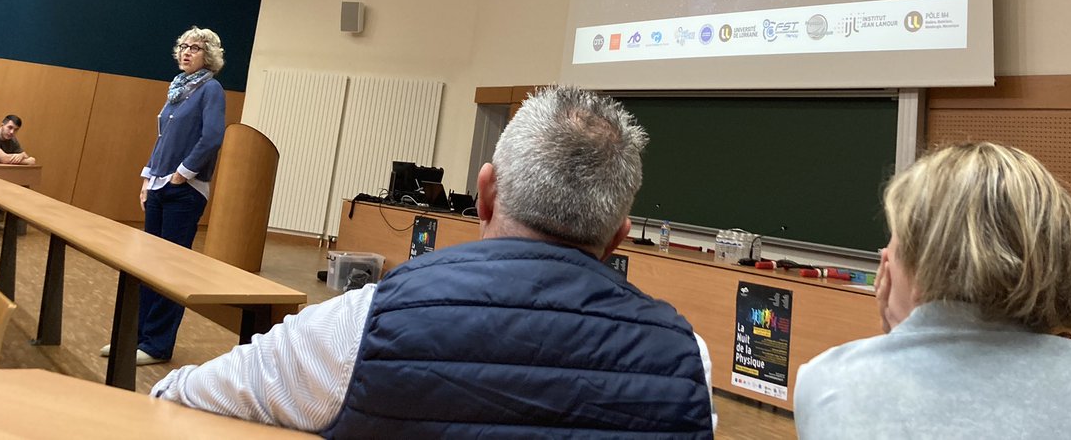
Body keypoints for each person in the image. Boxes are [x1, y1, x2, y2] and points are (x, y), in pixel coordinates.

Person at [152, 86, 717, 437]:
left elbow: (182, 399)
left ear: (486, 194)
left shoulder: (364, 321)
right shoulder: (687, 360)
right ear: (618, 238)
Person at [793, 142, 1071, 439]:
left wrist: (903, 337)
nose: (883, 256)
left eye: (895, 241)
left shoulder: (829, 382)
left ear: (923, 260)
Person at [101, 27, 226, 367]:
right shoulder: (177, 90)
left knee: (170, 268)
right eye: (184, 46)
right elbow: (163, 140)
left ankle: (156, 344)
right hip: (159, 186)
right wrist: (148, 178)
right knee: (146, 266)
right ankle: (133, 338)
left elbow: (213, 137)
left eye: (196, 48)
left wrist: (182, 173)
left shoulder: (210, 89)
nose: (187, 52)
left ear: (209, 56)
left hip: (184, 191)